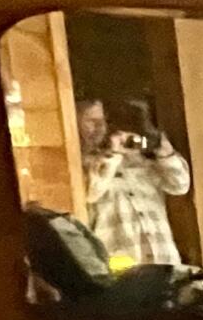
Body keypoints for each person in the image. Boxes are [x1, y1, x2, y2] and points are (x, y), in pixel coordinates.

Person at [77, 95, 191, 269]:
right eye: (91, 121)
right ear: (75, 124)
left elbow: (180, 185)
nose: (100, 127)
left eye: (102, 121)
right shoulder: (82, 166)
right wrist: (113, 154)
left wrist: (158, 143)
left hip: (164, 262)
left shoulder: (140, 160)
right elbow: (90, 193)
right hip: (121, 269)